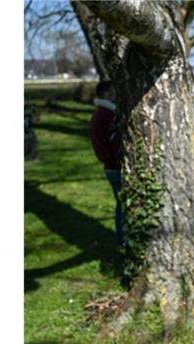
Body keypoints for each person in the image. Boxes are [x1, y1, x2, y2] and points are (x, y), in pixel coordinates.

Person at [89, 81, 124, 246]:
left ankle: (122, 240)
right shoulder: (107, 115)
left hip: (110, 165)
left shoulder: (99, 114)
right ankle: (123, 241)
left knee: (121, 204)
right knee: (123, 206)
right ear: (107, 94)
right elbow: (112, 141)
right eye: (112, 92)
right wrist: (120, 158)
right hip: (115, 166)